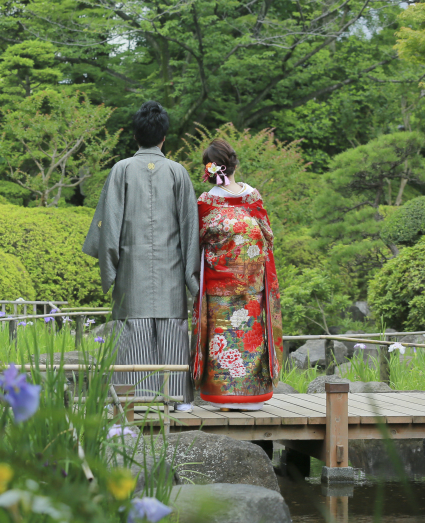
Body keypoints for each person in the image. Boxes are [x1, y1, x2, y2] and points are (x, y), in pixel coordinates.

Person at [82, 101, 200, 412]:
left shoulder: (121, 170)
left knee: (131, 333)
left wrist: (110, 268)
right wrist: (192, 278)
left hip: (131, 272)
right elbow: (191, 228)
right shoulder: (177, 172)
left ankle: (131, 399)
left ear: (136, 136)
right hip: (171, 272)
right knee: (173, 331)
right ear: (164, 137)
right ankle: (179, 400)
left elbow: (109, 225)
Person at [191, 139, 284, 411]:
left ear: (209, 169)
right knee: (250, 338)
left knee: (223, 341)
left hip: (219, 287)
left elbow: (196, 241)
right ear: (234, 165)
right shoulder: (252, 197)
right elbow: (268, 236)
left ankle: (225, 398)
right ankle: (252, 397)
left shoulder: (207, 202)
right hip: (253, 285)